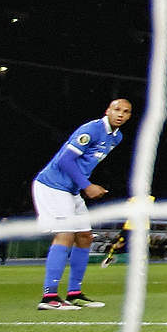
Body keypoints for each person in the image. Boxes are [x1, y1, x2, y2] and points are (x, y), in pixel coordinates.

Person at [32, 98, 132, 309]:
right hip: (53, 186)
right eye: (117, 110)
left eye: (126, 111)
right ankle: (49, 297)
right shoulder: (92, 129)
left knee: (85, 237)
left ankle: (74, 293)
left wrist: (83, 185)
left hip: (71, 190)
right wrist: (87, 185)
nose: (120, 114)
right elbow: (65, 160)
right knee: (65, 234)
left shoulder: (117, 137)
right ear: (108, 111)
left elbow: (85, 163)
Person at [100, 195, 155, 268]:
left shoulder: (150, 198)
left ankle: (142, 262)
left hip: (143, 227)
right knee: (117, 243)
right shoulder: (133, 199)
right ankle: (109, 258)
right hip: (130, 226)